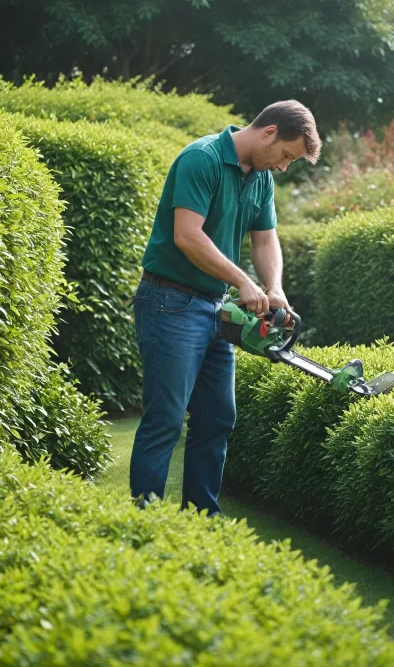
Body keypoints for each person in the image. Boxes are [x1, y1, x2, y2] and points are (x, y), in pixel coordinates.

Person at [129, 99, 322, 515]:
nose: (284, 166)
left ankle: (202, 520)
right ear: (268, 131)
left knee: (217, 419)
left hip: (214, 308)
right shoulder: (203, 158)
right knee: (165, 419)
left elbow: (265, 239)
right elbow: (187, 235)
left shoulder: (261, 179)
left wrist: (275, 288)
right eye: (286, 155)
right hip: (169, 301)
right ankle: (142, 523)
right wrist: (243, 281)